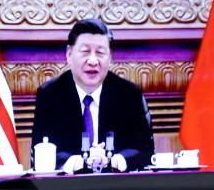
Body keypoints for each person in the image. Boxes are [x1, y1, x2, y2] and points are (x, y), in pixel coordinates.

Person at [31, 18, 155, 173]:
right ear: (69, 54)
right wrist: (80, 162)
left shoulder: (129, 94)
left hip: (118, 188)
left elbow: (145, 151)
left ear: (110, 57)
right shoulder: (50, 94)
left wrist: (112, 161)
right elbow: (40, 152)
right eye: (85, 52)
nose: (93, 61)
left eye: (100, 53)